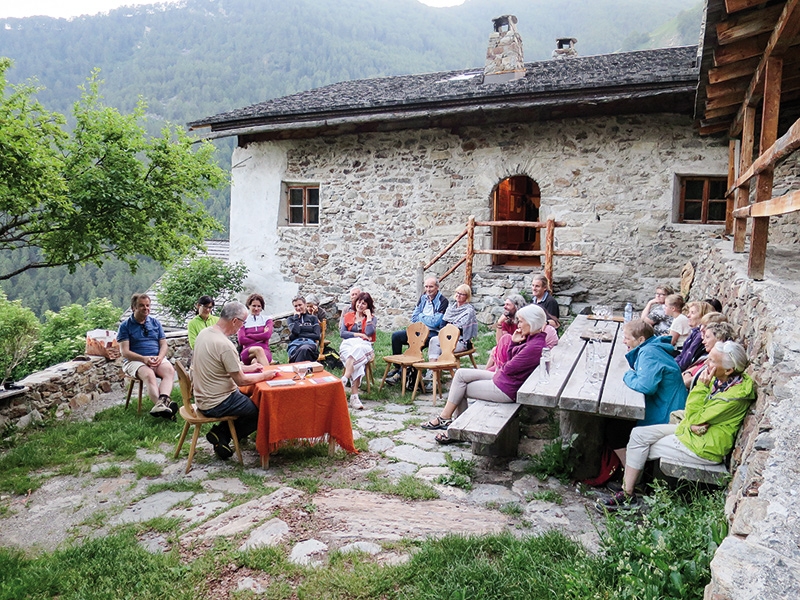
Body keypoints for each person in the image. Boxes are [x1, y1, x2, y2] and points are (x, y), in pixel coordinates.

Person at [598, 341, 755, 510]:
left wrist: (701, 387)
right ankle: (632, 487)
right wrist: (693, 424)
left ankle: (628, 495)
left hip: (705, 447)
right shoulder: (724, 382)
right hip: (694, 432)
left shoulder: (733, 396)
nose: (706, 364)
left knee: (641, 448)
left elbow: (696, 416)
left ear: (729, 370)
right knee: (638, 435)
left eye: (712, 361)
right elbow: (696, 417)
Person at [420, 304, 548, 444]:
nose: (519, 324)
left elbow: (508, 367)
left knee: (460, 389)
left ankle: (454, 428)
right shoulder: (531, 339)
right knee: (461, 374)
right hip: (505, 379)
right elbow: (510, 362)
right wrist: (514, 343)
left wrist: (512, 346)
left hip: (507, 388)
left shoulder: (534, 346)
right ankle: (450, 421)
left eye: (522, 321)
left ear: (532, 322)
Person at [193, 302, 277, 460]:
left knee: (249, 401)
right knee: (260, 412)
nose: (242, 326)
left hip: (202, 397)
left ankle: (221, 435)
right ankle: (222, 433)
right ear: (234, 321)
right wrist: (266, 375)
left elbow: (223, 365)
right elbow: (241, 381)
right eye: (243, 322)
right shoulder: (225, 345)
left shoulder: (205, 333)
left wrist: (247, 368)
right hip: (218, 402)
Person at [607, 319, 688, 461]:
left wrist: (628, 375)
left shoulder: (648, 352)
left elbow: (646, 387)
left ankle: (631, 475)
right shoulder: (654, 347)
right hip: (669, 404)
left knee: (614, 428)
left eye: (627, 338)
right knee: (616, 423)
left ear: (641, 339)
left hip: (667, 412)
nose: (623, 341)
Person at [117, 293, 177, 419]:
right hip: (135, 361)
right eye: (141, 306)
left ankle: (162, 404)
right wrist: (143, 359)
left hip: (155, 357)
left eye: (148, 305)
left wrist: (160, 357)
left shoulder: (155, 323)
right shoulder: (125, 326)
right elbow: (125, 352)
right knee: (149, 374)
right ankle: (165, 408)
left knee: (169, 370)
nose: (146, 308)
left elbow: (164, 345)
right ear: (133, 307)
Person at [386, 277, 449, 385]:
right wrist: (424, 318)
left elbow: (435, 323)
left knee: (415, 345)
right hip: (418, 330)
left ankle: (400, 375)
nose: (428, 289)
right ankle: (398, 367)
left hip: (432, 332)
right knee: (396, 336)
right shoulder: (423, 298)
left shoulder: (443, 301)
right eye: (426, 286)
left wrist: (421, 316)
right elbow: (414, 317)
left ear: (437, 287)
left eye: (431, 287)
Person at [339, 292, 377, 410]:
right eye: (359, 302)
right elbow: (343, 333)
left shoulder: (372, 318)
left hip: (364, 345)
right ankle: (354, 397)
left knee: (358, 350)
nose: (360, 305)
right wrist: (359, 334)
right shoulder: (348, 316)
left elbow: (370, 333)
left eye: (364, 304)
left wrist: (369, 317)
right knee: (357, 358)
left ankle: (345, 378)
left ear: (368, 306)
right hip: (348, 344)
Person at [682, 321, 736, 389]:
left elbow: (688, 382)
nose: (703, 341)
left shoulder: (717, 362)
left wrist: (686, 375)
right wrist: (687, 373)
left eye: (707, 337)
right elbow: (688, 370)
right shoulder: (705, 357)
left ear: (719, 339)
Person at [675, 301, 716, 371]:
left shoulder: (700, 335)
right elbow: (682, 355)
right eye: (689, 312)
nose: (688, 315)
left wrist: (671, 367)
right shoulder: (695, 332)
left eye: (692, 313)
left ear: (703, 316)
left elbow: (687, 360)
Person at [237, 293, 273, 367]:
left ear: (262, 307)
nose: (256, 309)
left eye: (259, 306)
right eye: (254, 306)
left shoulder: (267, 319)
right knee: (258, 350)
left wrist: (249, 335)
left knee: (255, 362)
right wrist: (261, 337)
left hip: (265, 350)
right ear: (249, 306)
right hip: (248, 351)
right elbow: (241, 340)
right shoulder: (243, 320)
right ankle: (269, 374)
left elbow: (267, 336)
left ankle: (258, 377)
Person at [287, 295, 321, 363]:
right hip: (295, 344)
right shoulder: (290, 319)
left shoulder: (313, 318)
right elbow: (296, 332)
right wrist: (296, 318)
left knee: (304, 349)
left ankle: (297, 368)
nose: (298, 308)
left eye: (300, 305)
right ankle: (306, 370)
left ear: (305, 304)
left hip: (309, 344)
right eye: (296, 306)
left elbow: (317, 336)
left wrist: (300, 335)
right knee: (303, 350)